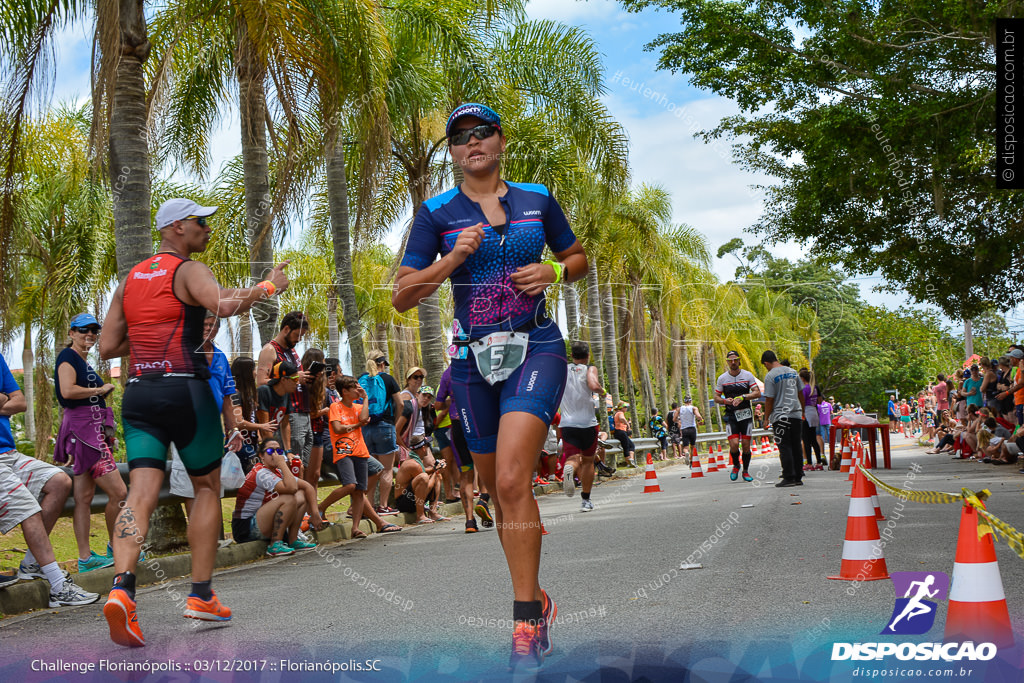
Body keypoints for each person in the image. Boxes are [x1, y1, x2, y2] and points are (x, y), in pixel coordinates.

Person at [393, 102, 587, 670]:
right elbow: (403, 294)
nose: (472, 142)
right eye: (460, 137)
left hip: (538, 346)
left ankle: (525, 621)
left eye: (483, 133)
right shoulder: (436, 214)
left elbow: (576, 257)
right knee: (493, 486)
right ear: (452, 151)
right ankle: (540, 598)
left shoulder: (537, 198)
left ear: (500, 141)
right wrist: (453, 256)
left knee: (509, 479)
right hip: (473, 362)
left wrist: (554, 271)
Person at [98, 197, 289, 647]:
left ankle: (122, 589)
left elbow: (107, 346)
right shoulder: (187, 270)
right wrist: (267, 287)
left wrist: (152, 336)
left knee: (141, 491)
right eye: (201, 222)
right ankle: (201, 594)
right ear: (177, 227)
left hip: (140, 393)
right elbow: (222, 305)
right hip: (186, 389)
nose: (207, 228)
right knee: (205, 487)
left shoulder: (128, 280)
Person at [1, 353, 91, 605]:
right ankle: (58, 588)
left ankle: (31, 564)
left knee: (59, 481)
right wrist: (4, 398)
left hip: (10, 453)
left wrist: (5, 399)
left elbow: (20, 403)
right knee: (28, 508)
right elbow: (10, 400)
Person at [53, 313, 120, 572]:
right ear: (71, 333)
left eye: (93, 330)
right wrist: (99, 390)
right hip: (84, 432)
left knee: (84, 497)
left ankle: (85, 559)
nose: (89, 334)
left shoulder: (82, 359)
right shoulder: (68, 357)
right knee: (120, 492)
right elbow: (67, 391)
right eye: (83, 330)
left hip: (87, 430)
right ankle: (118, 547)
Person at [318, 375, 403, 537]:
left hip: (360, 451)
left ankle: (355, 528)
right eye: (354, 388)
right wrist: (357, 425)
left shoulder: (358, 407)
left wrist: (364, 399)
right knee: (351, 486)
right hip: (343, 451)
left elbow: (364, 418)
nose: (358, 390)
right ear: (345, 391)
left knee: (359, 491)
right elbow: (338, 429)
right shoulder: (336, 407)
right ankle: (321, 507)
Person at [231, 438, 317, 557]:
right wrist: (282, 463)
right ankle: (275, 545)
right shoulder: (261, 473)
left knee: (301, 495)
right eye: (271, 451)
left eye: (279, 451)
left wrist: (315, 514)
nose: (276, 455)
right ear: (261, 456)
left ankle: (293, 540)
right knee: (289, 498)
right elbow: (291, 488)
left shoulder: (276, 471)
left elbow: (307, 487)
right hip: (245, 527)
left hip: (262, 520)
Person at [436, 365, 493, 532]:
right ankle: (483, 499)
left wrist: (451, 400)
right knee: (486, 467)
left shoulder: (448, 373)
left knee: (466, 473)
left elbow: (438, 404)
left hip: (458, 425)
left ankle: (469, 522)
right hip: (479, 422)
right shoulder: (480, 367)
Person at [258, 312, 313, 468]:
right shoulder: (270, 350)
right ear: (286, 329)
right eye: (297, 335)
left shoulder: (291, 350)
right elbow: (261, 382)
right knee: (293, 467)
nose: (299, 339)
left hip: (302, 411)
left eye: (301, 336)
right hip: (288, 413)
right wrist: (294, 379)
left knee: (303, 466)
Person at [558, 341, 603, 511]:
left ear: (572, 356)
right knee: (588, 461)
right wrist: (603, 391)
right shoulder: (590, 369)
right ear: (588, 355)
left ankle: (569, 468)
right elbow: (593, 385)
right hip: (588, 424)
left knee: (573, 459)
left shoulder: (562, 370)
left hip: (567, 423)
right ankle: (586, 500)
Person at [360, 350, 403, 516]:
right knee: (386, 469)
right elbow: (400, 403)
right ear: (383, 363)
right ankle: (383, 506)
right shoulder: (388, 379)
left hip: (365, 427)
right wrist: (395, 423)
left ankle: (369, 506)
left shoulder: (361, 379)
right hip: (385, 426)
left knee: (371, 469)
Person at [715, 350, 761, 482]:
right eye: (730, 360)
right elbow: (716, 397)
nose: (733, 362)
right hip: (731, 415)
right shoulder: (722, 378)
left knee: (746, 445)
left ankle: (745, 471)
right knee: (734, 445)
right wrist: (725, 401)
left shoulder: (747, 375)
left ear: (739, 360)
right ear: (727, 362)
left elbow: (757, 393)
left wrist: (743, 397)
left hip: (745, 415)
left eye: (735, 359)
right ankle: (736, 465)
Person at [761, 350, 805, 487]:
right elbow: (800, 393)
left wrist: (766, 418)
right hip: (796, 414)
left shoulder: (770, 376)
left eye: (765, 365)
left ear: (766, 363)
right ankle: (798, 476)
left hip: (780, 416)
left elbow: (769, 399)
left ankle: (789, 477)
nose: (766, 367)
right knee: (796, 445)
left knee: (785, 446)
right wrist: (802, 411)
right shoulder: (793, 372)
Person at [230, 356, 275, 473]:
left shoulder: (249, 394)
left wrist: (258, 434)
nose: (256, 373)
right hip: (240, 446)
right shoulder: (234, 394)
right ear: (246, 373)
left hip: (251, 444)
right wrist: (262, 426)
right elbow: (238, 422)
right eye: (254, 369)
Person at [300, 347, 329, 490]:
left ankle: (312, 509)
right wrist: (324, 411)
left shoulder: (322, 384)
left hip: (318, 432)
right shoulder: (302, 384)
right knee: (305, 475)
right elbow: (308, 413)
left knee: (315, 475)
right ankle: (304, 510)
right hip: (305, 433)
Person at [257, 361, 298, 448]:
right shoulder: (264, 391)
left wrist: (288, 451)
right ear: (283, 379)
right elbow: (265, 426)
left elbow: (285, 424)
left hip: (270, 441)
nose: (297, 383)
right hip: (257, 442)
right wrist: (274, 449)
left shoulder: (286, 394)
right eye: (295, 379)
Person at [798, 368, 824, 470]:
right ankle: (819, 462)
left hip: (807, 413)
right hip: (814, 412)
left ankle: (809, 463)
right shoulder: (814, 388)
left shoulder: (805, 389)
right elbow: (819, 401)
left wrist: (802, 413)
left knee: (806, 439)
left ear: (803, 378)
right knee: (813, 439)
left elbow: (802, 402)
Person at [676, 395, 703, 467]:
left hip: (684, 429)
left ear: (684, 401)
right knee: (693, 446)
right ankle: (691, 460)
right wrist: (701, 421)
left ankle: (686, 453)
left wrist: (679, 420)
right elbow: (699, 416)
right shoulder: (694, 408)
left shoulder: (679, 409)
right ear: (690, 401)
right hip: (692, 428)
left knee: (685, 447)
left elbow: (674, 418)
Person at [612, 401, 637, 467]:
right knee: (626, 446)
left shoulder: (617, 413)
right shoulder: (620, 413)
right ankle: (628, 462)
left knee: (631, 445)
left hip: (620, 432)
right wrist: (627, 424)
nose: (626, 408)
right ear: (621, 408)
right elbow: (621, 418)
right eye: (625, 407)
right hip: (620, 431)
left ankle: (631, 461)